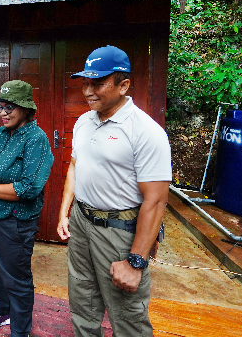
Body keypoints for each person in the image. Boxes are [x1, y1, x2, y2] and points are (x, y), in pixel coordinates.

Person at [56, 45, 171, 337]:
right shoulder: (84, 121)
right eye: (85, 82)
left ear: (123, 85)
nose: (87, 91)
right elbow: (74, 167)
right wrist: (65, 213)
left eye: (97, 83)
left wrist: (136, 260)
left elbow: (156, 201)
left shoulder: (146, 132)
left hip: (118, 230)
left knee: (127, 315)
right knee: (82, 301)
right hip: (82, 222)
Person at [0, 80, 54, 337]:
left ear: (27, 109)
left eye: (11, 107)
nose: (4, 113)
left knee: (16, 277)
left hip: (14, 221)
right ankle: (3, 311)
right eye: (1, 107)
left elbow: (28, 188)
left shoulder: (36, 139)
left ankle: (20, 331)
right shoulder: (0, 133)